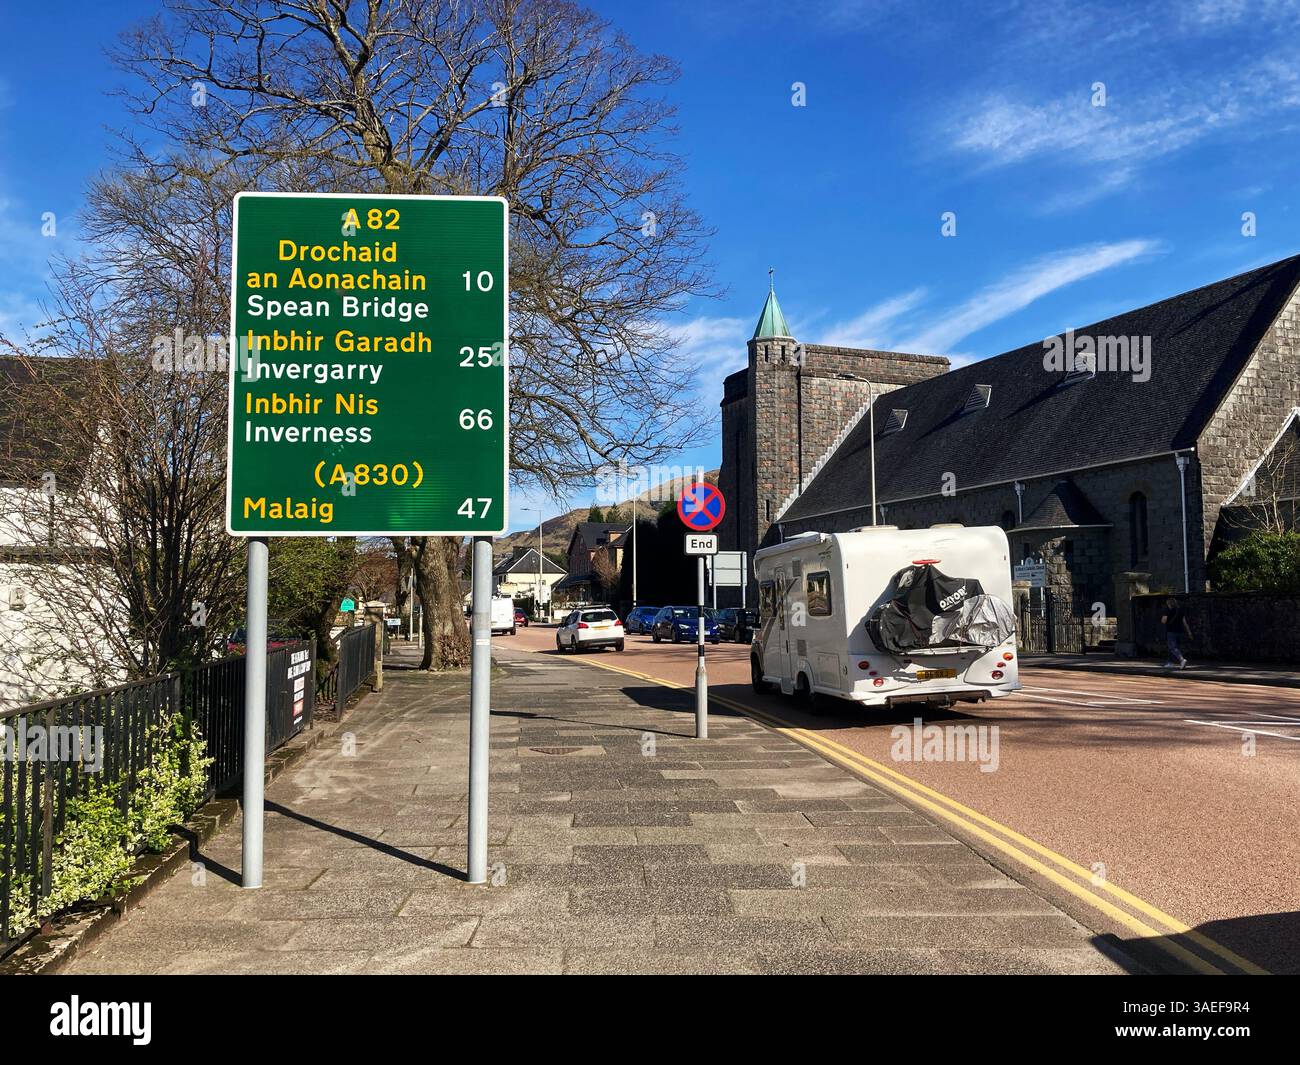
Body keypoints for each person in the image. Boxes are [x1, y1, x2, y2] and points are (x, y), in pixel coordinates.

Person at [1161, 596, 1191, 669]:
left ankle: (1182, 660)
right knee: (1175, 648)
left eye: (1167, 604)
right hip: (1180, 631)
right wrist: (1189, 632)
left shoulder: (1168, 611)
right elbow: (1185, 623)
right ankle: (1170, 663)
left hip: (1171, 631)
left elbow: (1163, 621)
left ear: (1169, 604)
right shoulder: (1180, 611)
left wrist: (1163, 618)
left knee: (1172, 647)